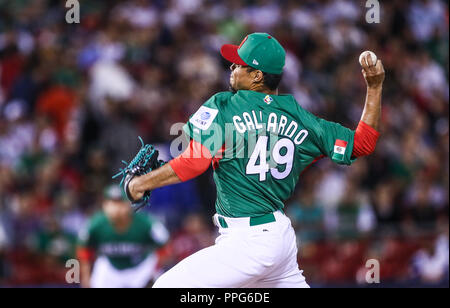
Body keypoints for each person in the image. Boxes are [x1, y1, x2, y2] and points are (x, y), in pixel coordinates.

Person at [126, 32, 385, 287]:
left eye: (240, 64)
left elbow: (194, 162)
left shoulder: (225, 105)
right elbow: (362, 143)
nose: (232, 67)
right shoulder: (300, 117)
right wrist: (374, 88)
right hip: (278, 237)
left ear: (257, 76)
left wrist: (140, 184)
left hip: (248, 241)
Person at [77, 184, 169, 288]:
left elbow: (165, 246)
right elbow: (84, 250)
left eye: (120, 203)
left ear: (129, 204)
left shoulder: (146, 223)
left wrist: (155, 270)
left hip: (140, 267)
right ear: (104, 205)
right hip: (110, 267)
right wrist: (86, 276)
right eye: (111, 202)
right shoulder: (95, 225)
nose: (115, 207)